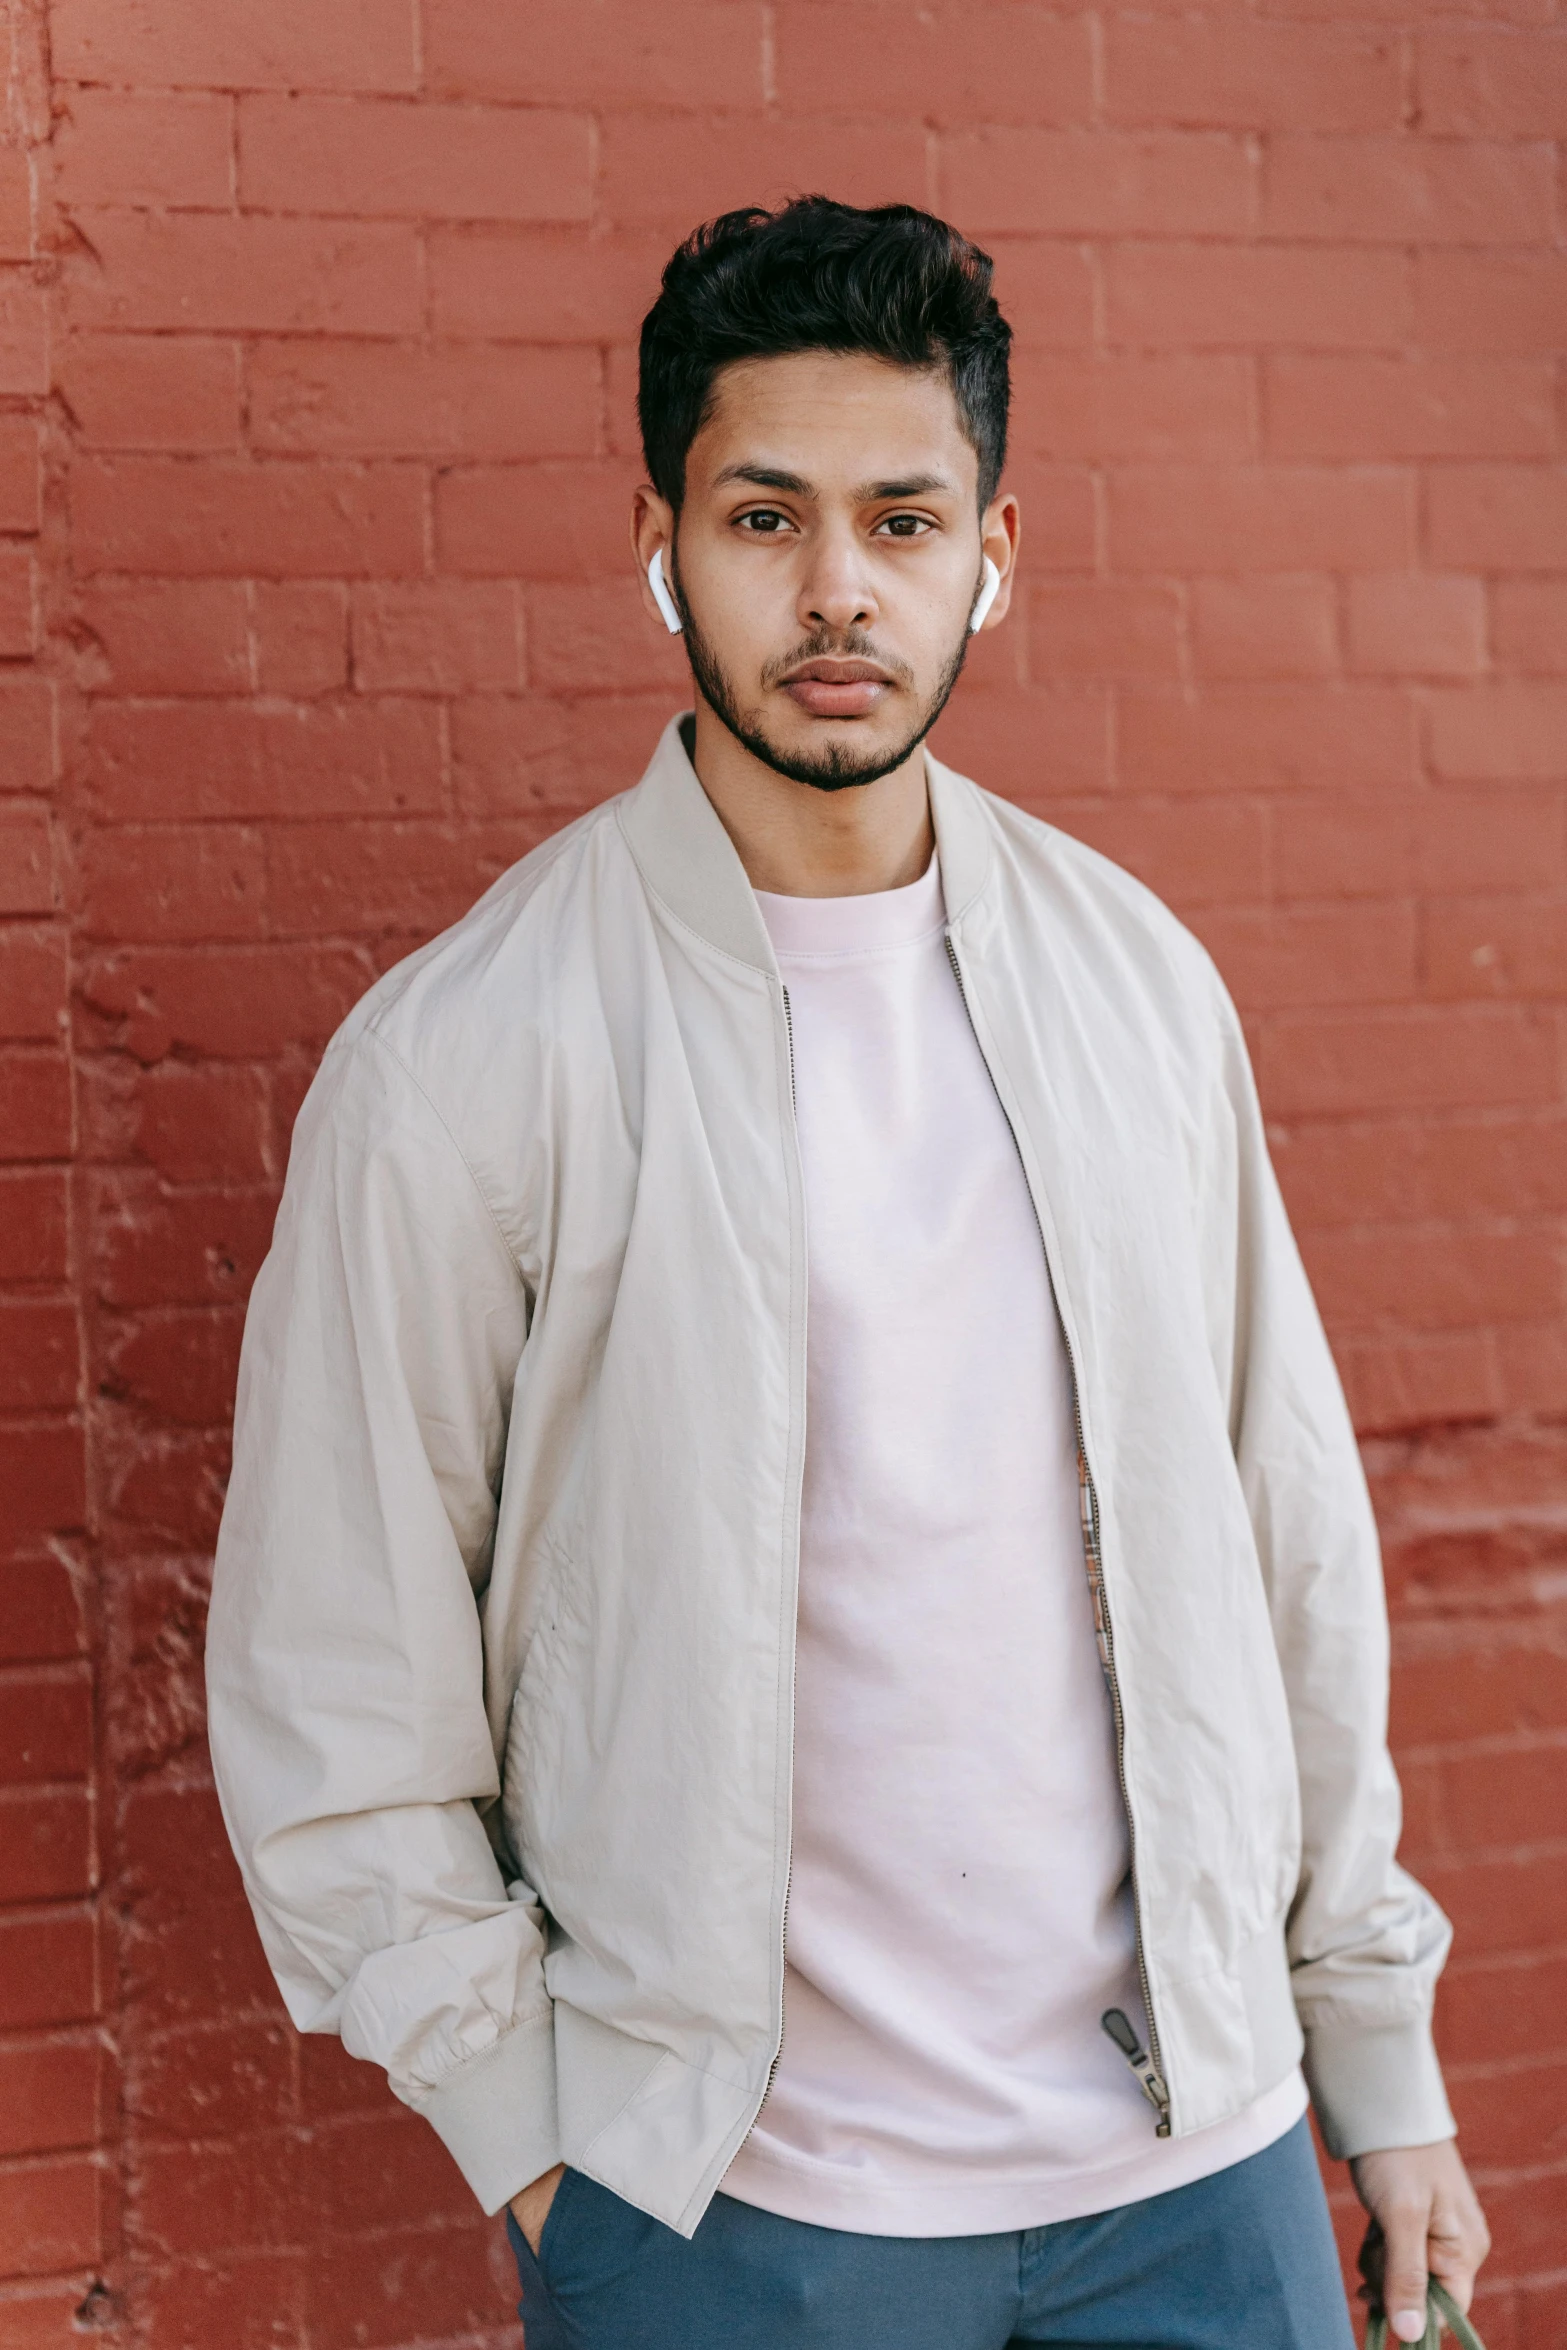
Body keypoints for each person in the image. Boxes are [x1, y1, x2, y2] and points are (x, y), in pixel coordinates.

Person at [206, 198, 1490, 2349]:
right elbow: (336, 1668)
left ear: (996, 550)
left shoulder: (1141, 987)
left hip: (1201, 2184)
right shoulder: (470, 1058)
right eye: (764, 514)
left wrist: (1374, 2062)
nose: (835, 591)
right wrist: (535, 2133)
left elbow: (1292, 1552)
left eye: (902, 519)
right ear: (660, 536)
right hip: (734, 2214)